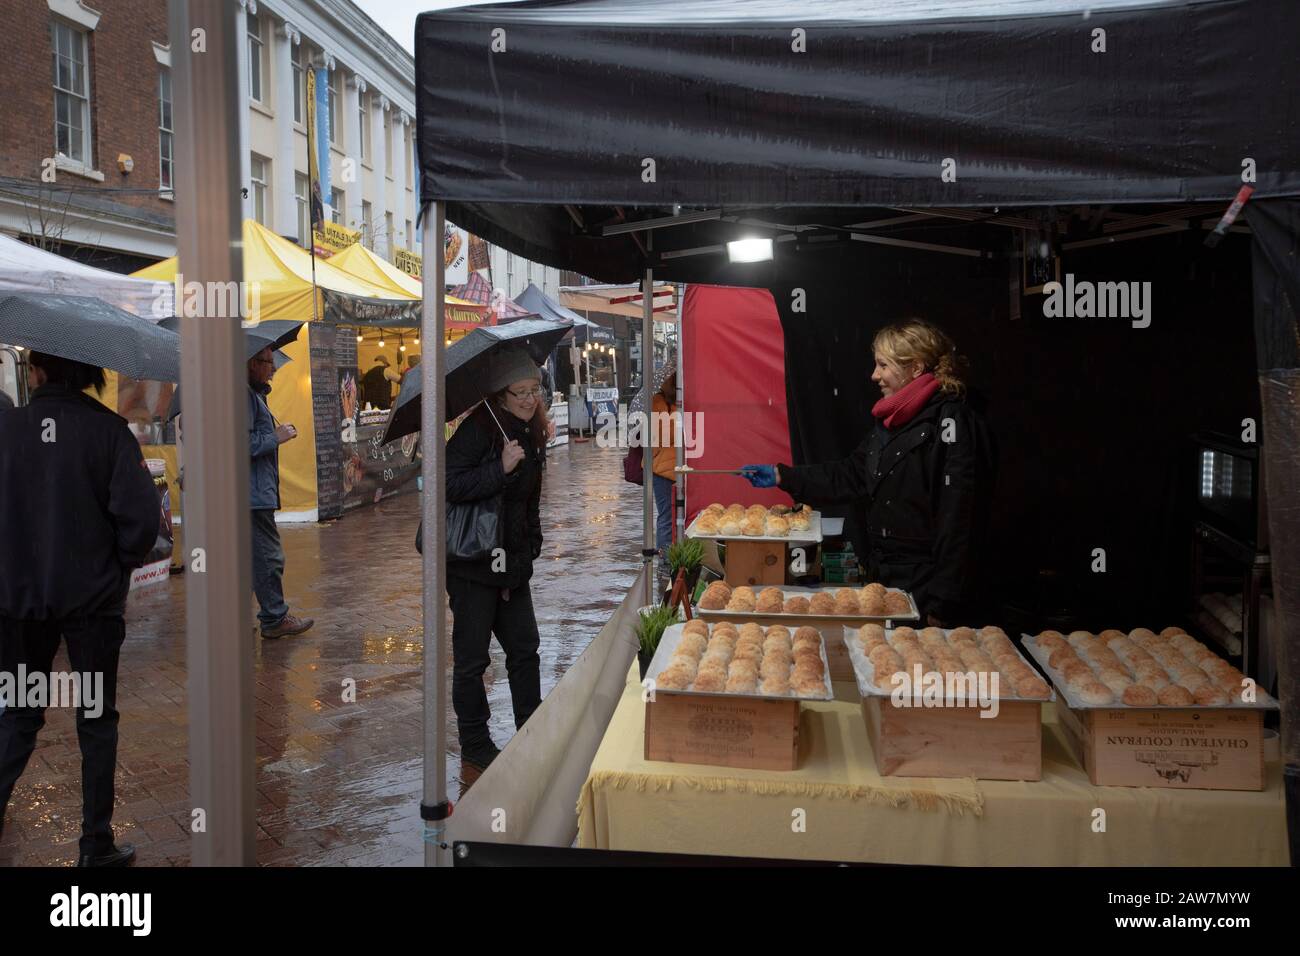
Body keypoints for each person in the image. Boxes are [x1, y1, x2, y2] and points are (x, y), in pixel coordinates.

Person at [0, 351, 160, 866]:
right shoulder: (109, 432)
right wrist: (114, 571)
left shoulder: (9, 430)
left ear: (38, 372)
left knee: (19, 716)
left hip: (20, 604)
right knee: (95, 720)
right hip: (91, 606)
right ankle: (96, 843)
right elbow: (140, 521)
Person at [742, 320, 994, 626]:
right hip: (889, 583)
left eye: (883, 365)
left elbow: (961, 522)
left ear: (915, 368)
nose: (875, 376)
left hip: (928, 591)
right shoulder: (892, 423)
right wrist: (784, 476)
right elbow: (850, 474)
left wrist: (942, 605)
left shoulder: (954, 423)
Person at [445, 348, 546, 771]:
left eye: (534, 390)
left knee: (524, 650)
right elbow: (448, 484)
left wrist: (533, 543)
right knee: (473, 661)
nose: (528, 399)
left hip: (511, 564)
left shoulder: (528, 431)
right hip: (473, 564)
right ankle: (475, 743)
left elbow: (528, 502)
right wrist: (499, 469)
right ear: (500, 395)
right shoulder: (478, 430)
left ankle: (532, 731)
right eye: (519, 392)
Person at [247, 346, 314, 639]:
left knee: (251, 558)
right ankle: (274, 618)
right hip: (251, 494)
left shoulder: (255, 396)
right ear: (252, 364)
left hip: (255, 491)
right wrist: (275, 436)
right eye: (267, 362)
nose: (273, 368)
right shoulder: (244, 398)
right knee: (268, 556)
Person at [650, 370, 678, 560]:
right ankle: (666, 562)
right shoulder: (657, 403)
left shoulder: (683, 404)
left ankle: (675, 559)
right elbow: (660, 436)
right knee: (667, 517)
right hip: (662, 470)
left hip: (684, 470)